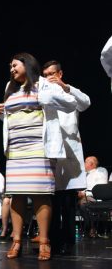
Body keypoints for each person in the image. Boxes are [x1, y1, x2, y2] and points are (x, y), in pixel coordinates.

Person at [0, 52, 77, 260]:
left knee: (41, 195)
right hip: (15, 150)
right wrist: (0, 111)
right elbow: (10, 114)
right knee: (16, 196)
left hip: (39, 149)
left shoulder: (44, 85)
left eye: (15, 65)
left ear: (27, 64)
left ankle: (44, 241)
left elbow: (71, 103)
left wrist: (49, 96)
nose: (11, 69)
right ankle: (16, 241)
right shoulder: (9, 87)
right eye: (10, 66)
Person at [41, 60, 91, 255]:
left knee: (68, 201)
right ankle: (53, 239)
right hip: (51, 151)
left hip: (69, 151)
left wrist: (65, 87)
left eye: (52, 74)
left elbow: (86, 103)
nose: (49, 78)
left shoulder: (69, 93)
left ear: (60, 74)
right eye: (45, 75)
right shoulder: (44, 95)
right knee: (52, 198)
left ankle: (69, 240)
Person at [77, 156, 108, 237]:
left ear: (91, 164)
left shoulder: (100, 171)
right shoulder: (84, 174)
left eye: (85, 162)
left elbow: (100, 188)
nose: (83, 164)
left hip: (95, 197)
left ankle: (91, 227)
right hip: (83, 197)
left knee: (83, 203)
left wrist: (85, 194)